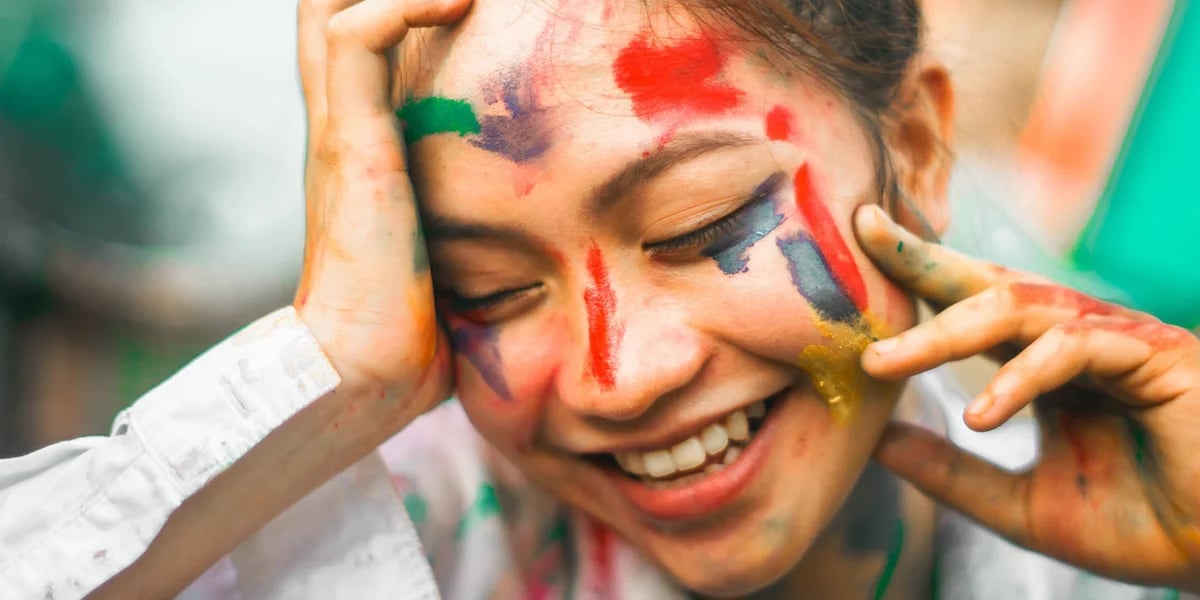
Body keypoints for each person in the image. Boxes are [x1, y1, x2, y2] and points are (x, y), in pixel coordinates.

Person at [2, 0, 1198, 598]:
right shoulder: (406, 538)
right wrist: (333, 373)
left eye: (701, 227)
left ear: (923, 146)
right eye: (489, 285)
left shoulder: (1136, 495)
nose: (620, 375)